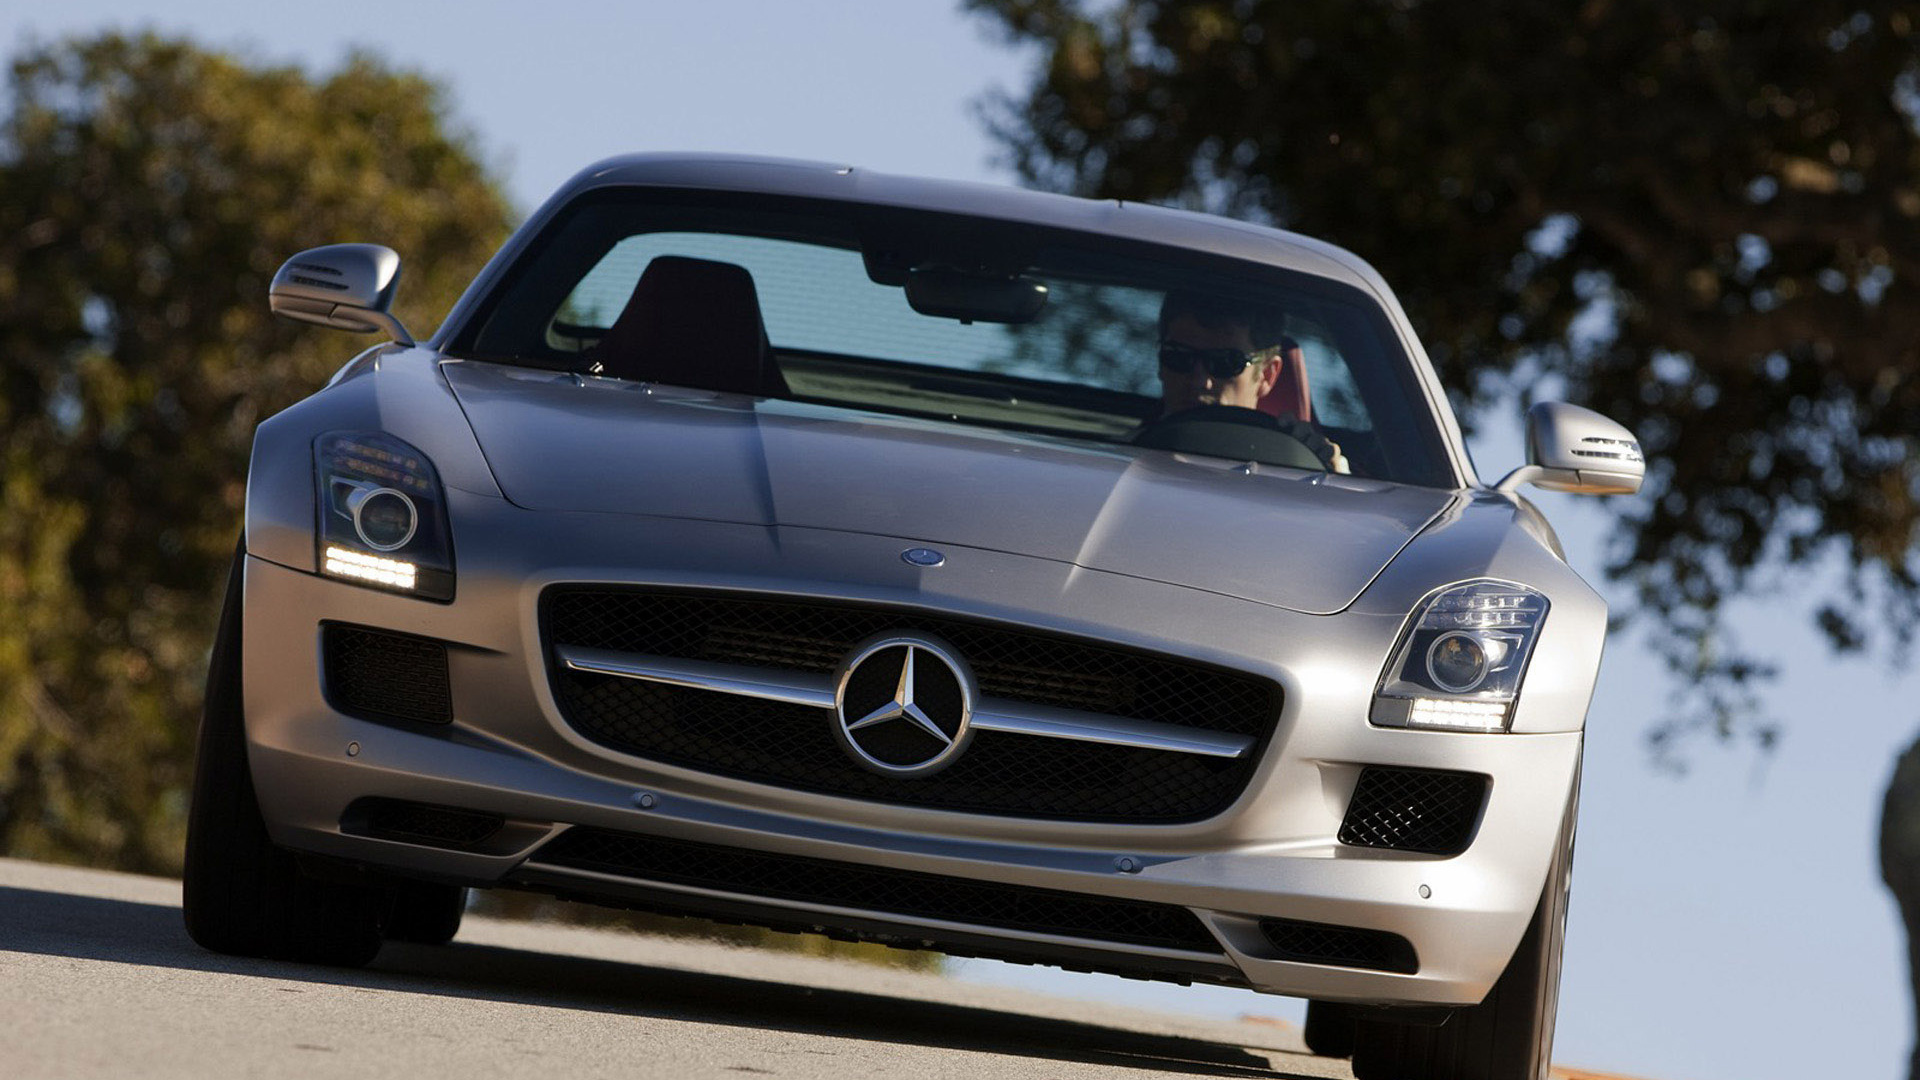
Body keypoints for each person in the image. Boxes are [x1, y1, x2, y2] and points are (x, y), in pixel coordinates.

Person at [1150, 291, 1348, 472]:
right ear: (1160, 360)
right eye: (1178, 356)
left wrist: (1332, 476)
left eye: (1225, 362)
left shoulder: (1298, 472)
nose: (1200, 381)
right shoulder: (1122, 456)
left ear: (1267, 374)